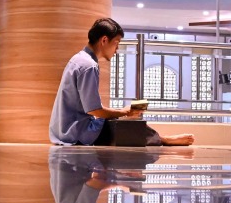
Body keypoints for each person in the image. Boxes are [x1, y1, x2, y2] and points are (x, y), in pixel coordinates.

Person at [48, 17, 194, 146]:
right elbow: (95, 110)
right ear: (104, 40)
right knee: (124, 125)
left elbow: (91, 108)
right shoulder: (89, 66)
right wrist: (123, 112)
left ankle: (161, 138)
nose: (117, 49)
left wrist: (122, 112)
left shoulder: (78, 59)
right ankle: (164, 140)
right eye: (116, 43)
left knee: (115, 121)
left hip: (63, 130)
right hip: (76, 132)